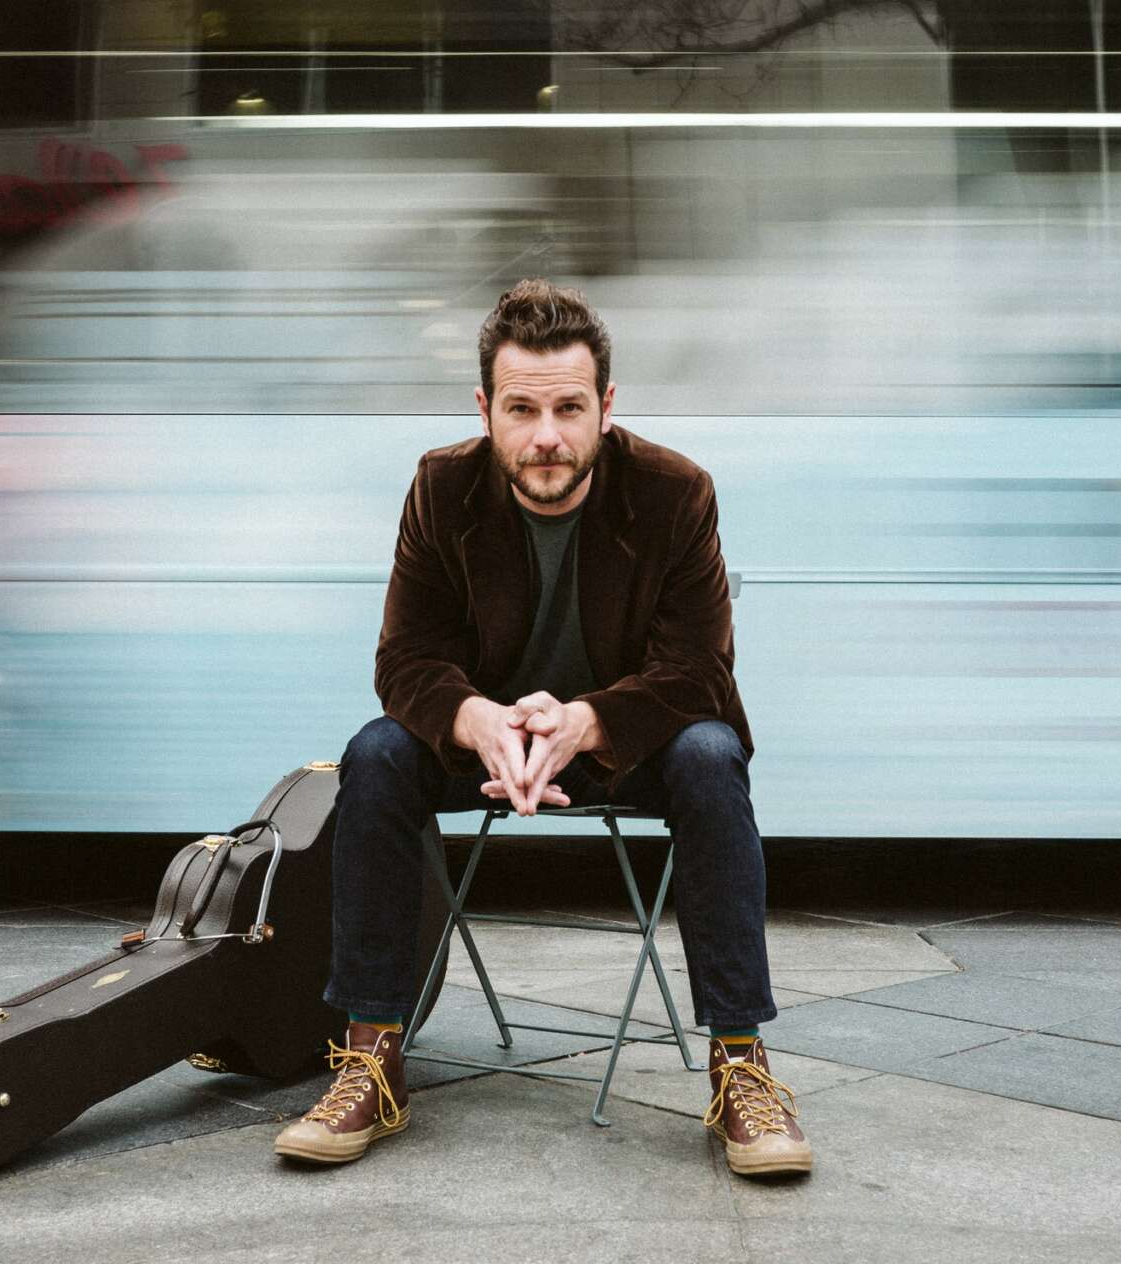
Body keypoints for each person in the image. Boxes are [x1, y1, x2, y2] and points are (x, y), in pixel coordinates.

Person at [272, 279, 811, 1178]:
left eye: (569, 407)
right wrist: (475, 718)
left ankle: (740, 1066)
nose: (547, 436)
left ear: (607, 405)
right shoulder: (441, 487)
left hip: (622, 749)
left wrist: (588, 722)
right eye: (521, 409)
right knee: (376, 752)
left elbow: (699, 672)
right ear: (485, 409)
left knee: (712, 753)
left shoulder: (677, 492)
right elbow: (404, 659)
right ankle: (371, 1057)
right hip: (483, 747)